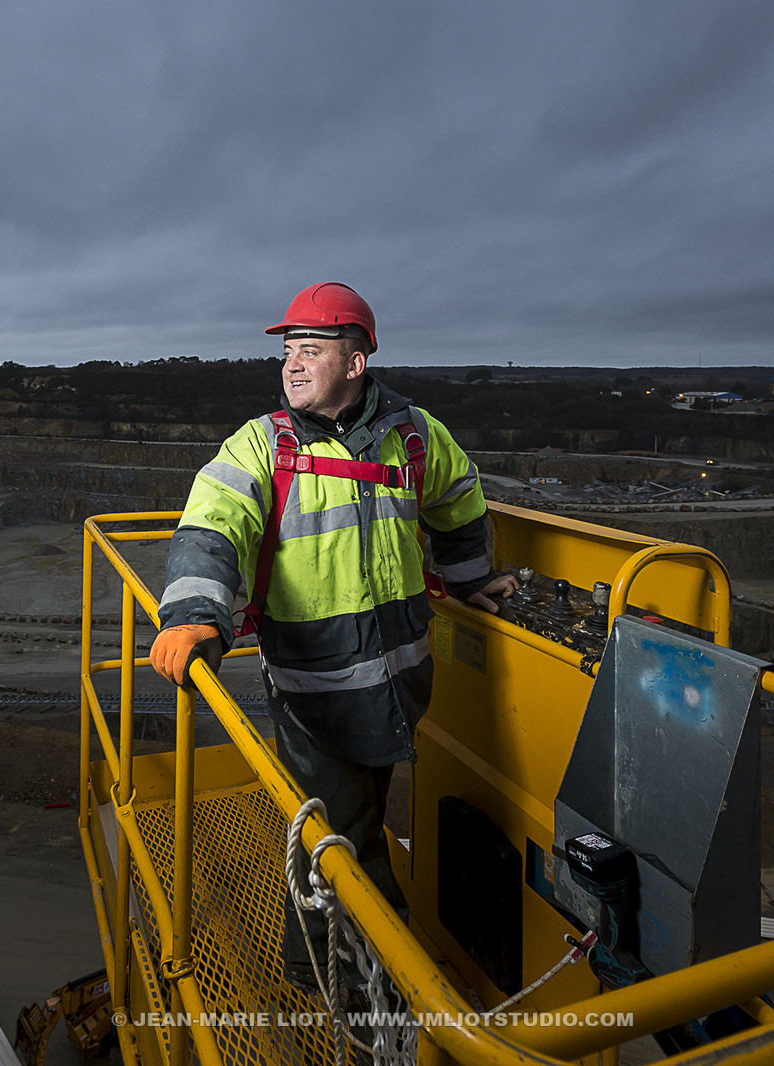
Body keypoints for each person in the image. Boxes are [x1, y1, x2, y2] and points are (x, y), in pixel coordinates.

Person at [148, 281, 517, 994]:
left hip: (400, 684)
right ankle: (377, 987)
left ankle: (308, 955)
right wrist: (194, 612)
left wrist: (470, 579)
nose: (291, 364)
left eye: (309, 349)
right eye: (288, 351)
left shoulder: (414, 434)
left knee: (353, 823)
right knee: (348, 843)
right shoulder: (262, 445)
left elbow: (457, 498)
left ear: (356, 362)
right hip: (314, 690)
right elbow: (211, 526)